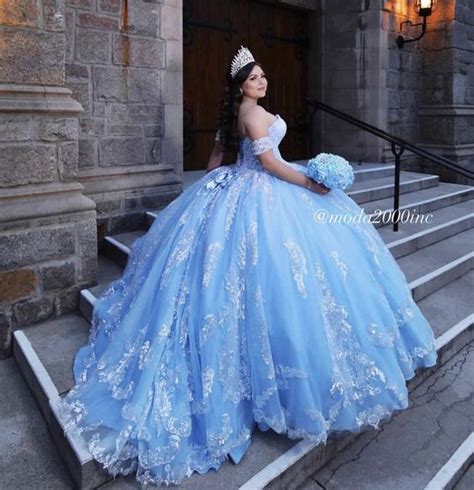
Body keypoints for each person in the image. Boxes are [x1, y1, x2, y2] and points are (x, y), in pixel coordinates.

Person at [58, 46, 438, 487]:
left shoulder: (236, 114)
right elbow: (271, 164)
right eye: (255, 78)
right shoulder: (253, 113)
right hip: (262, 191)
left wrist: (205, 193)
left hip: (237, 187)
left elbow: (217, 159)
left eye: (263, 76)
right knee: (272, 279)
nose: (263, 82)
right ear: (241, 84)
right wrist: (312, 183)